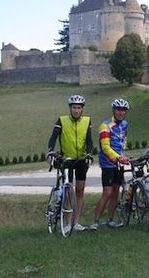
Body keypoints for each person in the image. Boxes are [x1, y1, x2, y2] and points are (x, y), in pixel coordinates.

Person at [47, 94, 93, 232]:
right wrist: (50, 151)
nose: (76, 110)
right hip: (66, 160)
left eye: (79, 108)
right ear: (70, 108)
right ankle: (67, 224)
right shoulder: (62, 120)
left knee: (80, 191)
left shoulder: (87, 121)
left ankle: (77, 222)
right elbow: (53, 138)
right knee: (68, 191)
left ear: (82, 109)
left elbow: (89, 140)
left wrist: (89, 154)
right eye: (74, 107)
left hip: (81, 160)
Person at [89, 98, 130, 230]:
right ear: (114, 111)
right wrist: (118, 157)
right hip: (108, 163)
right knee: (107, 192)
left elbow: (124, 140)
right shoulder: (105, 126)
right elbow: (105, 147)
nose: (121, 112)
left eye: (123, 110)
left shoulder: (125, 124)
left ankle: (110, 220)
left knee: (116, 191)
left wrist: (123, 154)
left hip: (119, 162)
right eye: (118, 109)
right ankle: (95, 221)